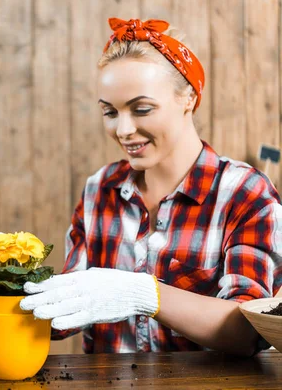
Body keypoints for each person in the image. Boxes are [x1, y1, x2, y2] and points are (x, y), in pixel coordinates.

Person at [20, 18, 282, 356]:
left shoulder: (247, 193)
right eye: (110, 112)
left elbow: (248, 332)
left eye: (141, 109)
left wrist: (143, 294)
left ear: (188, 97)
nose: (124, 129)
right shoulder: (100, 189)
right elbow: (69, 310)